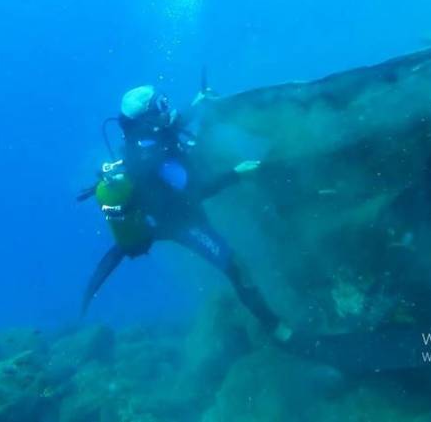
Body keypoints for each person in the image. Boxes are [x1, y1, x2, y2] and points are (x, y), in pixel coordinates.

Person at [80, 85, 295, 344]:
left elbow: (176, 120)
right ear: (145, 118)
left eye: (164, 100)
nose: (167, 108)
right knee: (235, 266)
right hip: (180, 223)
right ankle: (276, 329)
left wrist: (200, 102)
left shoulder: (151, 131)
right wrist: (236, 173)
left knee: (235, 264)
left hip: (172, 210)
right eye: (160, 106)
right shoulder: (152, 157)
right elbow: (196, 191)